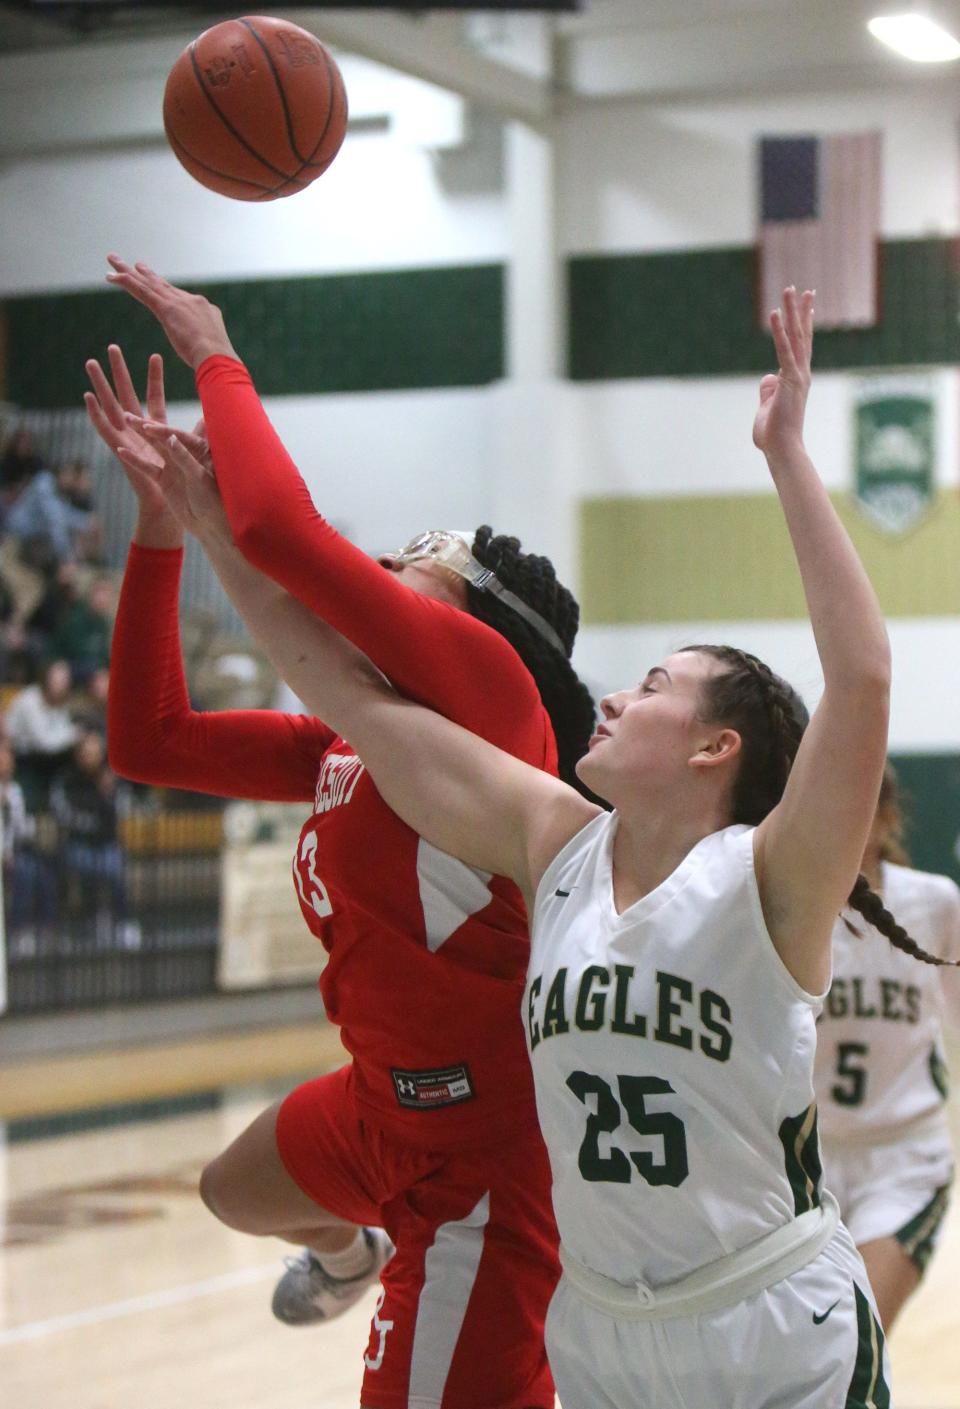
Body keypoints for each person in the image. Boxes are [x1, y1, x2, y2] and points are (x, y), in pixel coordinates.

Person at [113, 283, 960, 1407]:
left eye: (651, 684)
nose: (610, 698)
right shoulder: (553, 845)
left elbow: (862, 675)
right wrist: (194, 518)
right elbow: (322, 675)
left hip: (762, 1316)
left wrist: (789, 456)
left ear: (714, 747)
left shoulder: (769, 887)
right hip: (604, 1324)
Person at [87, 337, 597, 1406]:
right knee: (233, 1187)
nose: (391, 565)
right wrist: (159, 530)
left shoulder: (496, 711)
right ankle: (351, 1253)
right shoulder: (347, 738)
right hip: (382, 1108)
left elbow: (282, 533)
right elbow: (149, 737)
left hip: (487, 1156)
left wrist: (218, 356)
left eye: (425, 560)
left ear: (475, 618)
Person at [814, 761, 960, 1332]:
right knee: (808, 1354)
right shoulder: (792, 907)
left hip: (904, 1158)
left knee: (857, 1333)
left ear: (888, 818)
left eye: (859, 805)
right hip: (804, 1163)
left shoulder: (935, 903)